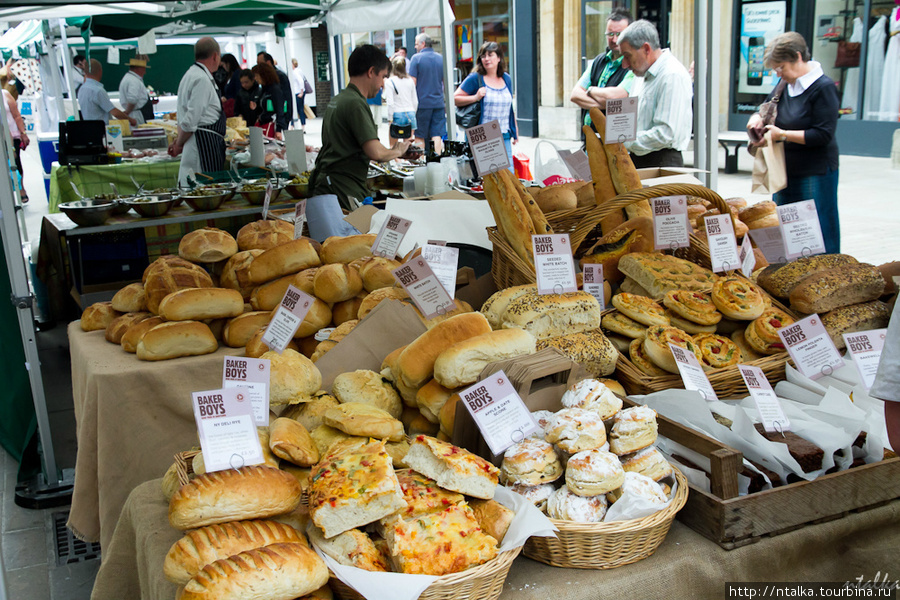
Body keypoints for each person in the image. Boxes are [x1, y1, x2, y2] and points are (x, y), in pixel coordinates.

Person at [747, 32, 841, 254]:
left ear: (798, 57)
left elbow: (823, 134)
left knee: (817, 232)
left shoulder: (823, 87)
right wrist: (756, 119)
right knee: (786, 230)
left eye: (781, 67)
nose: (778, 73)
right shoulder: (785, 84)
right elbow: (767, 107)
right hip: (784, 169)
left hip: (814, 170)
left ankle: (827, 280)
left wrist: (784, 134)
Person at [309, 44, 410, 210]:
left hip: (330, 185)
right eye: (383, 77)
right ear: (371, 72)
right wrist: (398, 150)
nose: (383, 84)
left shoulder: (339, 99)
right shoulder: (355, 103)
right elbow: (375, 152)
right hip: (342, 187)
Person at [616, 19, 693, 168]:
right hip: (638, 157)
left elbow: (666, 133)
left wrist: (623, 141)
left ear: (646, 49)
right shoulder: (641, 74)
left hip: (662, 160)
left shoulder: (672, 75)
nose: (624, 64)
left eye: (627, 55)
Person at [169, 37, 226, 186]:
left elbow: (185, 116)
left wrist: (178, 140)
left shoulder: (190, 74)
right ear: (215, 56)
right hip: (203, 146)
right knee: (202, 190)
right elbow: (190, 120)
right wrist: (179, 144)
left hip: (198, 142)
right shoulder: (201, 79)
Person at [454, 41, 518, 169]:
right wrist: (475, 97)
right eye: (483, 56)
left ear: (499, 58)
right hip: (484, 133)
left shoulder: (506, 78)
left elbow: (509, 107)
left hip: (504, 132)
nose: (486, 59)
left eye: (490, 55)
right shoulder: (475, 78)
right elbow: (455, 98)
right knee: (492, 177)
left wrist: (515, 131)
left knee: (508, 176)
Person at [570, 8, 634, 127]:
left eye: (619, 34)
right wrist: (604, 104)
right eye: (610, 34)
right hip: (589, 139)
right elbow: (575, 95)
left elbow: (617, 99)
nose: (614, 40)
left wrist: (590, 91)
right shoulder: (598, 61)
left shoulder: (633, 65)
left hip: (615, 140)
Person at [408, 33, 446, 154]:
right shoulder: (441, 58)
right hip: (438, 103)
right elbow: (445, 82)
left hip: (422, 103)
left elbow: (412, 83)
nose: (415, 46)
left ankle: (422, 161)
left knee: (419, 135)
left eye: (416, 43)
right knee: (437, 134)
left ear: (423, 43)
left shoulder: (416, 58)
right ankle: (438, 160)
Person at [77, 59, 137, 126]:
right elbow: (114, 112)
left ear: (85, 72)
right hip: (102, 130)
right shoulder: (98, 90)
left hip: (89, 128)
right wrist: (131, 120)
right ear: (100, 71)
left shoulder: (82, 89)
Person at [2, 76, 28, 203]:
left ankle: (21, 188)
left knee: (16, 161)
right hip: (2, 136)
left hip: (12, 135)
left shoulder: (5, 94)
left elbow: (17, 115)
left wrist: (23, 132)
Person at [385, 56, 417, 146]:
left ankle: (397, 160)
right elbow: (415, 101)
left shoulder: (389, 82)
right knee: (408, 145)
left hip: (396, 114)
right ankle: (407, 160)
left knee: (393, 145)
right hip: (410, 113)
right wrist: (413, 113)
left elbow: (390, 103)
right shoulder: (410, 80)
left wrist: (390, 119)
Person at [257, 52, 294, 127]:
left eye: (260, 64)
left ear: (268, 63)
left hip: (277, 120)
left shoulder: (279, 78)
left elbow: (284, 100)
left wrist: (283, 121)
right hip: (268, 119)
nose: (259, 67)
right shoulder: (265, 83)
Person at [251, 63, 286, 137]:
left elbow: (280, 110)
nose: (255, 78)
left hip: (272, 125)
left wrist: (278, 130)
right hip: (264, 123)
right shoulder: (264, 89)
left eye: (256, 76)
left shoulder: (275, 90)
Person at [118, 55, 152, 125]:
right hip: (137, 115)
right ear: (138, 68)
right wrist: (127, 112)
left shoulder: (129, 78)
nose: (145, 72)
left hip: (136, 113)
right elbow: (132, 99)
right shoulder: (133, 80)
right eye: (144, 69)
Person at [290, 58, 309, 130]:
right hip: (301, 91)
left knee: (295, 109)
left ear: (293, 64)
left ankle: (292, 126)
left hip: (297, 92)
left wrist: (301, 92)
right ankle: (303, 125)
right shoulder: (300, 70)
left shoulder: (295, 72)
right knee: (300, 109)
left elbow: (301, 81)